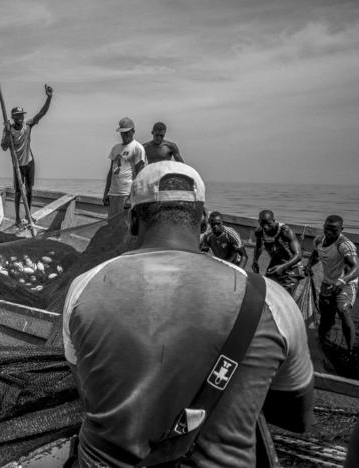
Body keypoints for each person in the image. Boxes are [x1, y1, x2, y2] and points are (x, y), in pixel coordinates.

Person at [63, 161, 313, 467]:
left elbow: (88, 392)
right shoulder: (271, 299)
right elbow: (296, 418)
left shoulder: (83, 289)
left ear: (132, 220)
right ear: (205, 220)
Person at [0, 84, 53, 225]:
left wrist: (49, 98)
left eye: (22, 116)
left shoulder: (28, 125)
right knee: (18, 192)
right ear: (13, 118)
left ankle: (28, 215)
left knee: (29, 190)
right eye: (17, 117)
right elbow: (4, 147)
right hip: (17, 165)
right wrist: (6, 132)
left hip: (29, 163)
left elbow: (42, 113)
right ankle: (17, 218)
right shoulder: (9, 130)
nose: (20, 119)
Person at [305, 215, 358, 350]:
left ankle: (350, 350)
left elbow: (355, 267)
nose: (329, 233)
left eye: (334, 230)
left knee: (343, 309)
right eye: (327, 229)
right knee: (326, 316)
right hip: (327, 283)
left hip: (346, 283)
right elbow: (316, 255)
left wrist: (341, 281)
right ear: (323, 227)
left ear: (341, 229)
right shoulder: (318, 241)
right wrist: (309, 265)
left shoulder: (344, 245)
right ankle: (323, 344)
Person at [102, 117, 146, 221]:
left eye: (127, 132)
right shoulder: (115, 148)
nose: (124, 135)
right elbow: (111, 172)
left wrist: (131, 197)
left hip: (126, 194)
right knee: (111, 224)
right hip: (113, 194)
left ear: (133, 131)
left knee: (125, 226)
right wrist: (106, 193)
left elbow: (140, 175)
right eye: (122, 133)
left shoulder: (137, 148)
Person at [252, 209, 303, 295]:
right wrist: (255, 260)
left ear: (274, 221)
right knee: (268, 293)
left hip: (292, 267)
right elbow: (258, 247)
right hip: (275, 265)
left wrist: (282, 267)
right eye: (262, 224)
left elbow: (298, 255)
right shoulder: (259, 232)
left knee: (285, 297)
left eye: (268, 224)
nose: (265, 227)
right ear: (258, 222)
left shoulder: (285, 231)